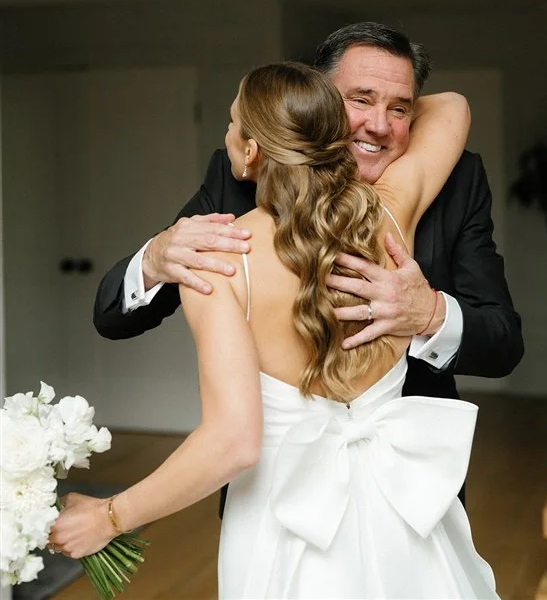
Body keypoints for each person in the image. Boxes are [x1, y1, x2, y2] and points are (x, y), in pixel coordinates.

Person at [50, 62, 498, 599]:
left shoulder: (219, 260)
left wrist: (109, 516)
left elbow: (233, 442)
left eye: (233, 122)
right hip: (405, 517)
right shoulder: (390, 217)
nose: (227, 133)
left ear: (250, 152)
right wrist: (335, 117)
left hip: (284, 524)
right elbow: (452, 106)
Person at [94, 23, 523, 414]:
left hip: (408, 450)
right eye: (360, 100)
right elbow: (114, 319)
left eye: (399, 109)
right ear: (317, 100)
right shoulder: (242, 175)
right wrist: (153, 260)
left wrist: (429, 314)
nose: (379, 126)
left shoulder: (454, 178)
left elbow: (503, 343)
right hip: (278, 447)